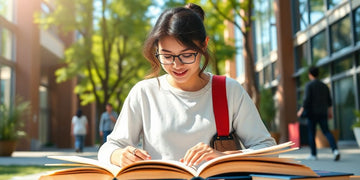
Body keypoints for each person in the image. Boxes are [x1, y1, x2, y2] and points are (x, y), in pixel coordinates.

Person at [98, 3, 276, 168]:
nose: (177, 65)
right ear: (156, 51)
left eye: (187, 54)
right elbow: (109, 148)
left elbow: (268, 150)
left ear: (204, 45)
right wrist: (119, 155)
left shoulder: (229, 91)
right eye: (167, 56)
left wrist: (225, 157)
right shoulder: (144, 93)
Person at [297, 66, 340, 161]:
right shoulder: (324, 86)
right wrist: (330, 112)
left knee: (311, 133)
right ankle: (335, 151)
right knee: (327, 131)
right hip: (323, 113)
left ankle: (313, 154)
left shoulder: (309, 85)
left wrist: (301, 111)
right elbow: (329, 101)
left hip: (312, 114)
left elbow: (306, 100)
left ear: (310, 74)